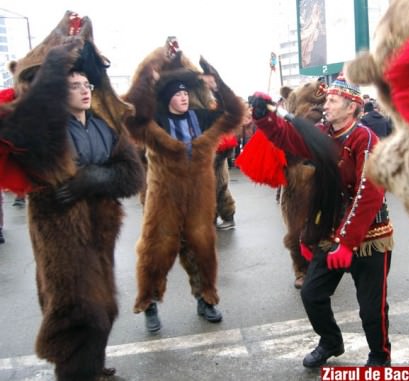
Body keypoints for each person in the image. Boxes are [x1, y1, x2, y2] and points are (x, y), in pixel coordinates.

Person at [0, 15, 144, 381]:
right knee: (75, 310)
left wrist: (94, 179)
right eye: (74, 85)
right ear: (55, 93)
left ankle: (92, 367)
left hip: (101, 228)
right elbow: (27, 118)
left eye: (86, 84)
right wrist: (53, 65)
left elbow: (132, 176)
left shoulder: (104, 126)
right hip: (59, 229)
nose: (85, 90)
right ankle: (75, 374)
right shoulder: (43, 131)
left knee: (105, 307)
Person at [249, 75, 393, 367]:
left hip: (369, 236)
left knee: (371, 309)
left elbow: (369, 194)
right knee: (312, 294)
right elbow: (287, 138)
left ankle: (379, 357)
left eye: (332, 100)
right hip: (330, 233)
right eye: (326, 99)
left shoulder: (365, 139)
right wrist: (264, 118)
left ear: (352, 107)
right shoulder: (321, 133)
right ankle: (330, 341)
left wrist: (347, 243)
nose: (325, 104)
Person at [124, 48, 244, 333]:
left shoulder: (201, 118)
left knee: (202, 247)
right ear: (167, 99)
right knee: (157, 248)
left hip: (199, 198)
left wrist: (217, 84)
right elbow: (132, 117)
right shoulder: (156, 122)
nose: (184, 97)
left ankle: (206, 298)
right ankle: (149, 303)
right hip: (163, 196)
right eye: (178, 95)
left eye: (186, 94)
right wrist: (147, 80)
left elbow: (234, 113)